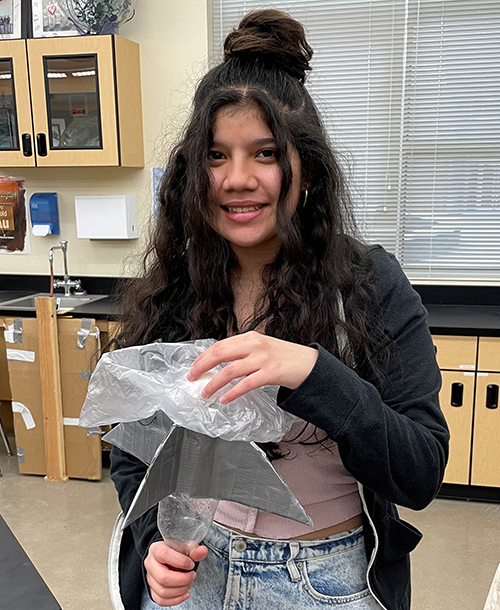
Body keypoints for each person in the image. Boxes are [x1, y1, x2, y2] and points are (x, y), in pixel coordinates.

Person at [109, 9, 449, 610]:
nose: (237, 179)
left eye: (265, 154)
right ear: (194, 172)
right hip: (200, 573)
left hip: (326, 581)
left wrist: (313, 374)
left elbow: (420, 471)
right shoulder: (176, 288)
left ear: (308, 173)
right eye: (216, 156)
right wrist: (153, 542)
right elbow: (134, 446)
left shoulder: (369, 285)